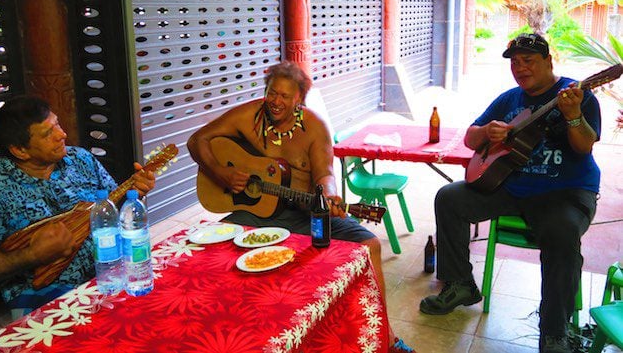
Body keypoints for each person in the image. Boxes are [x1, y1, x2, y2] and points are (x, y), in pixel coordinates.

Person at [187, 61, 414, 352]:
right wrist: (221, 172)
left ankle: (386, 335)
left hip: (306, 213)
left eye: (284, 96)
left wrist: (329, 195)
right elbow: (198, 140)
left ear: (299, 100)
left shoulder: (314, 126)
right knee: (212, 248)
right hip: (257, 214)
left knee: (370, 245)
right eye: (272, 93)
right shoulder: (249, 116)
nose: (276, 101)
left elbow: (325, 174)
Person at [419, 33, 600, 353]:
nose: (520, 68)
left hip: (565, 191)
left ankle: (555, 329)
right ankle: (460, 283)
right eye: (515, 62)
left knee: (562, 232)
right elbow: (471, 139)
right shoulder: (510, 99)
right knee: (450, 197)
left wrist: (573, 116)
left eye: (528, 60)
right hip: (511, 187)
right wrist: (487, 132)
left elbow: (584, 146)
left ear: (548, 61)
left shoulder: (578, 95)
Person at [0, 95, 156, 318]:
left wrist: (134, 196)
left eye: (57, 124)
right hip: (42, 296)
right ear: (20, 150)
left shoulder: (81, 159)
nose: (62, 134)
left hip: (110, 274)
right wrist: (31, 255)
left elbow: (111, 210)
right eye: (48, 133)